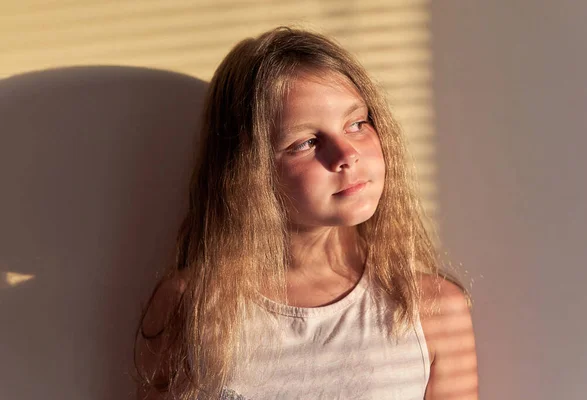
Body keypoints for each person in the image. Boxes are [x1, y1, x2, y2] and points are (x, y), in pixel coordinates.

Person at [134, 27, 478, 400]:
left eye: (357, 124)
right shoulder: (190, 307)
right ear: (250, 172)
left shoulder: (433, 310)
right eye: (306, 142)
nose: (346, 154)